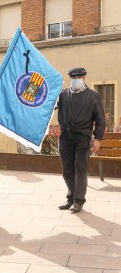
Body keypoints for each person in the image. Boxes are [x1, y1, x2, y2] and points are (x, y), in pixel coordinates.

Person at [57, 67, 105, 213]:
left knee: (80, 168)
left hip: (82, 137)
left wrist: (97, 138)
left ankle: (79, 200)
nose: (76, 80)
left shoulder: (93, 96)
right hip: (65, 136)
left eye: (79, 78)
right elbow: (49, 107)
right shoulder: (63, 95)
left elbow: (100, 120)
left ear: (84, 78)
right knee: (67, 170)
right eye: (73, 78)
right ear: (70, 78)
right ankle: (71, 196)